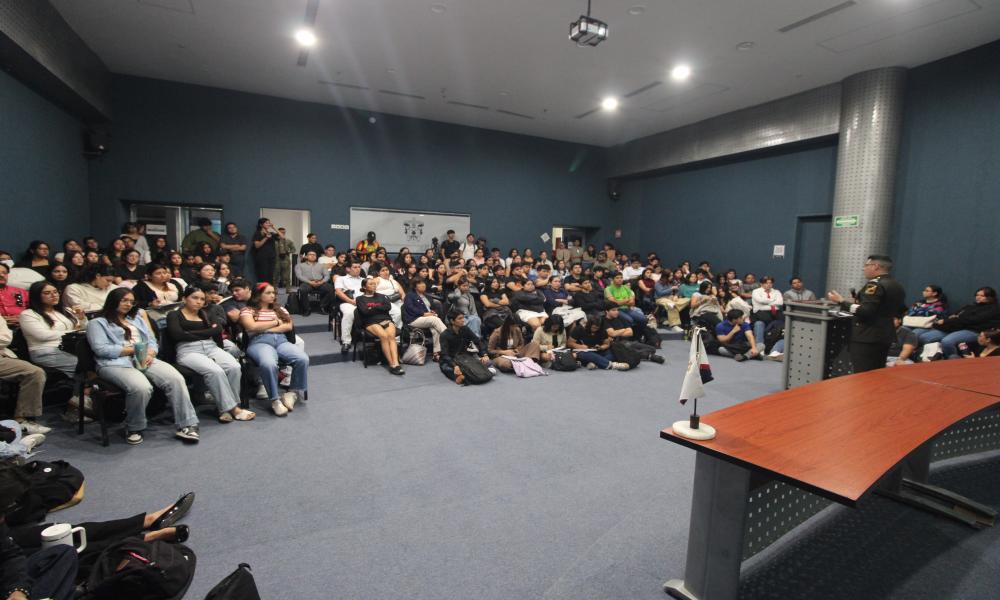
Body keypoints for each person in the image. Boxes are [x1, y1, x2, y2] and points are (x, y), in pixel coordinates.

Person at [86, 288, 200, 445]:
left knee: (175, 378)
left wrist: (150, 353)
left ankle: (187, 424)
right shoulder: (97, 323)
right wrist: (134, 350)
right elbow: (101, 349)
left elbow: (151, 341)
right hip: (115, 363)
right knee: (141, 387)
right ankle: (134, 427)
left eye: (131, 302)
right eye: (124, 300)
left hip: (143, 358)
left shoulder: (136, 319)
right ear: (113, 300)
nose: (128, 304)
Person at [167, 287, 255, 423]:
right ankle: (234, 409)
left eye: (202, 299)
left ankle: (226, 408)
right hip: (188, 350)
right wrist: (206, 331)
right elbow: (176, 334)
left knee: (234, 366)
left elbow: (217, 330)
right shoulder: (174, 315)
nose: (199, 302)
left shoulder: (206, 313)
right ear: (184, 299)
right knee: (215, 371)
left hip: (210, 346)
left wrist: (189, 334)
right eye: (194, 298)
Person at [239, 283, 309, 416]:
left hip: (281, 341)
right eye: (268, 293)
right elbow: (250, 327)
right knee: (269, 363)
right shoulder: (247, 310)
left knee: (302, 358)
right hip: (259, 343)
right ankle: (275, 399)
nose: (273, 295)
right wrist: (275, 322)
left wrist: (263, 327)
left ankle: (292, 393)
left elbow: (288, 327)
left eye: (273, 293)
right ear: (258, 295)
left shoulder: (280, 309)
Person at [827, 254, 906, 373]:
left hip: (867, 336)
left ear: (876, 266)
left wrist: (841, 301)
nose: (864, 268)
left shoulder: (874, 284)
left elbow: (866, 311)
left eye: (866, 265)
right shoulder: (896, 285)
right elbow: (897, 308)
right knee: (877, 373)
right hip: (885, 334)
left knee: (862, 374)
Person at [914, 287, 1000, 359]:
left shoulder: (993, 309)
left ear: (990, 297)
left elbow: (972, 320)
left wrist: (954, 319)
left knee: (947, 341)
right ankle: (929, 356)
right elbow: (955, 316)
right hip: (955, 326)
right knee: (924, 337)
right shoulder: (970, 306)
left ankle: (952, 359)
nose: (978, 297)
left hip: (973, 330)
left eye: (982, 295)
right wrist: (955, 319)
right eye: (977, 295)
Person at [354, 277, 404, 375]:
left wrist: (371, 307)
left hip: (385, 319)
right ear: (364, 287)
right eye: (371, 284)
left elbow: (387, 307)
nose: (374, 285)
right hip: (370, 321)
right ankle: (391, 364)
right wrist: (379, 307)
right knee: (384, 336)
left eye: (374, 284)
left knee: (391, 337)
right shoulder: (360, 299)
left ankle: (397, 364)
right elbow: (365, 312)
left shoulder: (381, 296)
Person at [439, 310, 490, 384]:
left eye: (463, 318)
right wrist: (454, 366)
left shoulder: (465, 329)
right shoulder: (444, 335)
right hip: (451, 359)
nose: (463, 320)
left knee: (488, 363)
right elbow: (444, 354)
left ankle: (467, 375)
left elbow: (478, 341)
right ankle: (460, 376)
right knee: (447, 368)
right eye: (460, 318)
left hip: (465, 357)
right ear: (452, 321)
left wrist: (485, 354)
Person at [402, 278, 446, 361]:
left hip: (427, 319)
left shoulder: (427, 296)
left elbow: (432, 307)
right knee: (435, 320)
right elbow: (410, 308)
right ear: (415, 286)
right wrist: (423, 313)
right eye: (420, 283)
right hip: (414, 319)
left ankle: (436, 353)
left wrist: (432, 312)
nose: (423, 285)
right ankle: (450, 337)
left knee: (435, 329)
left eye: (424, 283)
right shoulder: (410, 295)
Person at [334, 262, 365, 355]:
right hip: (348, 302)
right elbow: (339, 292)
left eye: (359, 267)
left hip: (364, 302)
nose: (358, 269)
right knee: (349, 313)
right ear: (348, 269)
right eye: (355, 267)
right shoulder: (341, 279)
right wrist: (351, 301)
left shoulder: (364, 280)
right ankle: (346, 342)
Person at [294, 250, 334, 316]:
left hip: (320, 282)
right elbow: (299, 276)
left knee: (331, 288)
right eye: (310, 254)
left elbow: (327, 275)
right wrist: (310, 282)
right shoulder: (299, 265)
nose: (312, 256)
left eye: (314, 255)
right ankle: (307, 309)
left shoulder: (321, 265)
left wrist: (322, 281)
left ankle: (322, 306)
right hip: (307, 282)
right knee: (303, 290)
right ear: (306, 256)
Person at [750, 276, 784, 346]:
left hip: (775, 313)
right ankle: (760, 346)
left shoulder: (776, 292)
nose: (769, 284)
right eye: (766, 283)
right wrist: (774, 302)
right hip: (760, 314)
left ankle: (772, 345)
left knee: (781, 321)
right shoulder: (756, 291)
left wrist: (766, 303)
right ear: (761, 284)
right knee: (760, 323)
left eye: (770, 283)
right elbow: (760, 301)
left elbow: (780, 302)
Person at [251, 218, 279, 284]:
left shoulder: (271, 233)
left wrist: (273, 227)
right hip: (262, 257)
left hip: (271, 257)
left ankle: (269, 291)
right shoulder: (257, 233)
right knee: (263, 275)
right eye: (266, 223)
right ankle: (262, 292)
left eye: (269, 222)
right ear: (261, 224)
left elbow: (282, 237)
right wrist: (266, 238)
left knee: (270, 275)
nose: (268, 224)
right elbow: (257, 246)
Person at [274, 228, 296, 292]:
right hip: (276, 259)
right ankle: (275, 289)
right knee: (275, 275)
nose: (282, 233)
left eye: (284, 232)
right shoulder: (274, 241)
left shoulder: (288, 241)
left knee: (287, 275)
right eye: (281, 232)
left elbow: (293, 249)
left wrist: (287, 251)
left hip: (285, 259)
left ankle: (288, 288)